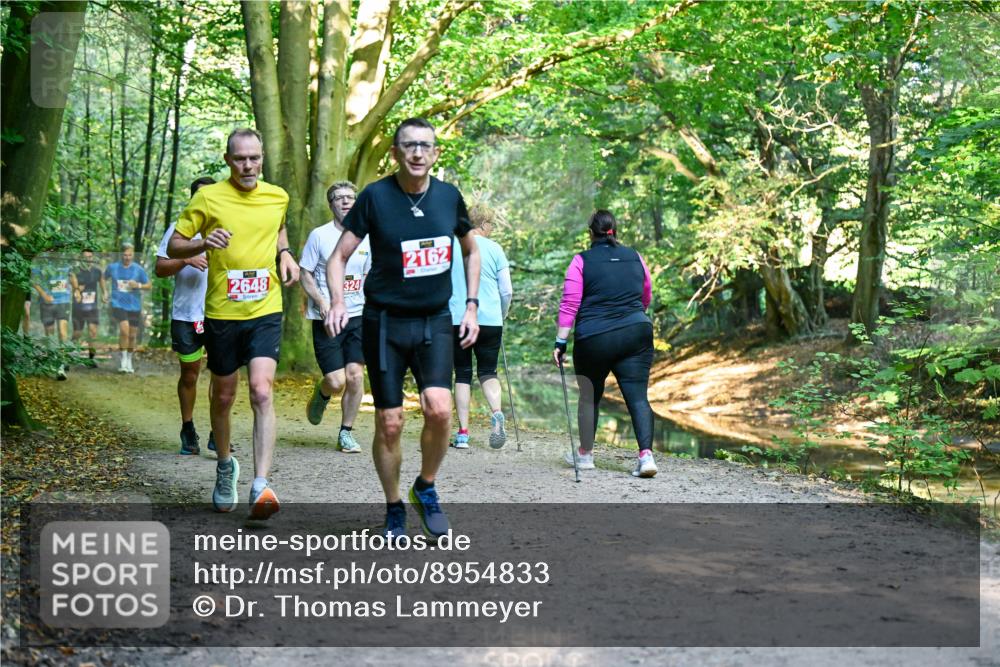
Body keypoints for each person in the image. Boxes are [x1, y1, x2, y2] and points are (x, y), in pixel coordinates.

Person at [324, 117, 480, 541]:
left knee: (440, 409)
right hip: (385, 323)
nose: (417, 153)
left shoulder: (448, 197)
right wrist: (337, 301)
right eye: (409, 145)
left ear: (436, 153)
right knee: (389, 422)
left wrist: (471, 306)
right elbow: (338, 258)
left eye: (425, 146)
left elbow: (471, 251)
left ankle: (425, 486)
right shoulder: (375, 197)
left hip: (434, 320)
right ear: (395, 153)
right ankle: (394, 505)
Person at [168, 128, 299, 520]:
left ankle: (260, 484)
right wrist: (203, 243)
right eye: (240, 158)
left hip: (265, 308)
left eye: (254, 158)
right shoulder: (208, 197)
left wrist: (286, 253)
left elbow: (278, 227)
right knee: (223, 397)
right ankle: (226, 465)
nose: (248, 165)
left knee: (261, 390)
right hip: (222, 312)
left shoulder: (277, 196)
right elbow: (175, 245)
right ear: (228, 160)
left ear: (262, 159)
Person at [552, 210, 657, 478]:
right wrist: (632, 316)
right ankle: (646, 457)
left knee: (589, 396)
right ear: (614, 230)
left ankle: (586, 454)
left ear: (591, 233)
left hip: (594, 337)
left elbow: (570, 304)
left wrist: (560, 341)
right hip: (636, 332)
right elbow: (646, 293)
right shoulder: (635, 256)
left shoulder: (581, 261)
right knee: (638, 397)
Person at [300, 180, 370, 453]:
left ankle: (346, 433)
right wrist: (320, 301)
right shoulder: (319, 236)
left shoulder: (367, 236)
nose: (345, 201)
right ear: (331, 205)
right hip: (327, 318)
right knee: (337, 381)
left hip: (358, 316)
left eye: (350, 197)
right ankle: (323, 391)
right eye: (339, 198)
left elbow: (368, 273)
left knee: (355, 377)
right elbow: (305, 273)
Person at [155, 176, 215, 455]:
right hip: (186, 314)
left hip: (220, 313)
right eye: (200, 195)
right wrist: (186, 258)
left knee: (222, 375)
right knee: (190, 375)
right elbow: (160, 269)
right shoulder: (179, 230)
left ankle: (218, 431)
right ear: (192, 199)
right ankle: (188, 427)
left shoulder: (227, 228)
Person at [448, 201, 513, 449]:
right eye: (492, 224)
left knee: (462, 373)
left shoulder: (453, 246)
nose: (492, 228)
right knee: (488, 372)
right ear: (483, 224)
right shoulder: (495, 249)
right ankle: (496, 413)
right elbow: (506, 290)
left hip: (458, 318)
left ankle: (463, 434)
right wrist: (501, 314)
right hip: (490, 320)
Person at [103, 243, 151, 373]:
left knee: (132, 335)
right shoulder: (113, 267)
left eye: (130, 255)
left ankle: (129, 359)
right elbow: (103, 278)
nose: (127, 257)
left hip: (134, 305)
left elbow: (148, 285)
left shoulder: (138, 269)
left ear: (133, 254)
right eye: (125, 255)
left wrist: (138, 285)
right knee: (124, 331)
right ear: (121, 254)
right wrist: (105, 292)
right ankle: (123, 360)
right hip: (118, 304)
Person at [32, 257, 72, 379]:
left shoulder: (67, 262)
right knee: (50, 334)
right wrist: (44, 295)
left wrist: (76, 289)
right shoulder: (41, 263)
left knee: (62, 333)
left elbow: (73, 277)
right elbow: (34, 281)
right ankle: (53, 358)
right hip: (47, 303)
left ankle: (60, 365)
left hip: (63, 301)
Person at [70, 249, 104, 362]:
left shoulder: (97, 271)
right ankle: (72, 351)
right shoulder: (75, 271)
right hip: (78, 307)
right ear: (81, 259)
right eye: (85, 257)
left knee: (93, 332)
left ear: (92, 258)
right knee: (77, 333)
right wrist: (77, 290)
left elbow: (102, 281)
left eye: (90, 257)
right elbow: (73, 285)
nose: (88, 259)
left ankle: (91, 358)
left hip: (92, 307)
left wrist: (105, 293)